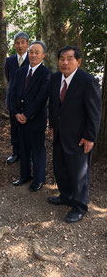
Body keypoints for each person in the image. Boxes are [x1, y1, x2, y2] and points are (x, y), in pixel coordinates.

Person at [48, 46, 102, 223]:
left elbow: (94, 112)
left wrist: (90, 136)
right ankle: (65, 195)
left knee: (79, 173)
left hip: (79, 137)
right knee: (60, 168)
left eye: (69, 59)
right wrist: (52, 126)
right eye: (62, 58)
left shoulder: (87, 81)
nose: (65, 62)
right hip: (60, 134)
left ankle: (79, 206)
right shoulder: (55, 78)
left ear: (78, 61)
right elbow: (53, 105)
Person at [10, 41, 51, 191]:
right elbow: (13, 94)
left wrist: (26, 114)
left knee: (37, 149)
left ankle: (39, 179)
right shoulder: (20, 72)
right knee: (24, 148)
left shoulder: (46, 74)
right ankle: (24, 175)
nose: (33, 55)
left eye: (37, 52)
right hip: (19, 118)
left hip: (36, 119)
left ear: (43, 55)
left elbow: (41, 98)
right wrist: (16, 113)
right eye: (31, 52)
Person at [5, 32, 30, 165]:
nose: (20, 45)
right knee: (14, 127)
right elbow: (9, 78)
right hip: (13, 100)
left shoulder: (32, 60)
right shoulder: (9, 61)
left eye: (23, 42)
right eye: (17, 43)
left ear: (27, 43)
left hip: (27, 100)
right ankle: (15, 153)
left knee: (28, 127)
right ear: (14, 45)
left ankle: (28, 154)